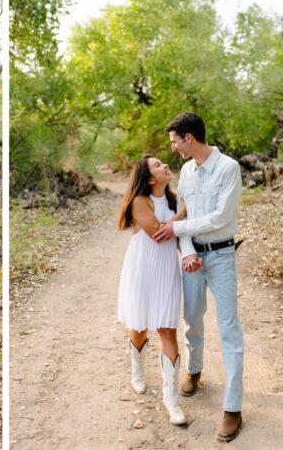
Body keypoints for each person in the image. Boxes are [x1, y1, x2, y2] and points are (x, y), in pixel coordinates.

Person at [153, 111, 244, 442]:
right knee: (192, 318)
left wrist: (178, 229)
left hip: (221, 255)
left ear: (189, 138)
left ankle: (233, 408)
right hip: (193, 257)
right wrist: (187, 249)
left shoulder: (228, 168)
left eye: (176, 142)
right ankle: (194, 370)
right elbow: (185, 212)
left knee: (229, 328)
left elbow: (221, 218)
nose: (174, 148)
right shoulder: (187, 171)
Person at [117, 155, 188, 426]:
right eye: (157, 166)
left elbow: (177, 235)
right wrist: (182, 215)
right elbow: (159, 232)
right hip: (142, 267)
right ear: (148, 178)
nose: (165, 166)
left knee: (167, 328)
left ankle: (171, 400)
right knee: (139, 325)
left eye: (162, 162)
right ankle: (138, 371)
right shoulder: (139, 201)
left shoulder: (173, 198)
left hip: (167, 268)